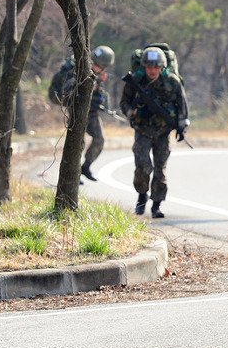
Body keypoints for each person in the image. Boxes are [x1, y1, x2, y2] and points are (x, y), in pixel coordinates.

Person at [119, 46, 189, 218]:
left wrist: (181, 127)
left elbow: (182, 105)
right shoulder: (136, 80)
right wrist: (134, 112)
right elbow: (124, 103)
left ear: (162, 67)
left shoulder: (172, 81)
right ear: (144, 66)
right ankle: (142, 195)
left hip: (163, 132)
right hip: (142, 130)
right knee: (143, 166)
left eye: (156, 67)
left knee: (160, 169)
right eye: (149, 67)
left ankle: (156, 205)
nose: (152, 70)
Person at [61, 45, 115, 182]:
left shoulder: (99, 76)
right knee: (78, 143)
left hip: (92, 114)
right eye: (100, 65)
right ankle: (74, 173)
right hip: (77, 112)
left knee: (99, 139)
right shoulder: (79, 71)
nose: (101, 68)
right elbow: (67, 92)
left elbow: (100, 96)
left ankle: (86, 166)